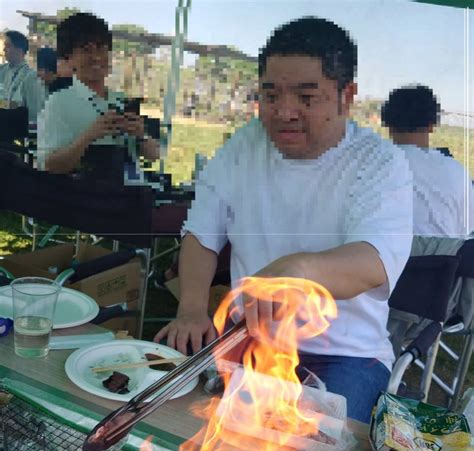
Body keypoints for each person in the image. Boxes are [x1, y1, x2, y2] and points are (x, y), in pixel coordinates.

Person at [154, 17, 414, 423]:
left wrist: (295, 269)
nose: (284, 111)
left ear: (347, 96)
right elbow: (202, 231)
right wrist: (190, 308)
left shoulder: (379, 162)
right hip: (248, 337)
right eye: (271, 95)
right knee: (181, 429)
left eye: (306, 97)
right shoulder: (245, 145)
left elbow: (374, 263)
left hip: (345, 353)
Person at [37, 12, 159, 175]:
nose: (96, 57)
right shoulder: (58, 103)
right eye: (86, 50)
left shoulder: (121, 101)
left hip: (127, 195)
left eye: (102, 48)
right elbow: (49, 166)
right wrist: (88, 137)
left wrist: (141, 136)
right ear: (69, 58)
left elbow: (154, 156)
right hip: (85, 197)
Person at [381, 84, 473, 238]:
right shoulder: (457, 171)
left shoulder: (368, 167)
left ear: (387, 123)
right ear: (431, 126)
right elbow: (465, 230)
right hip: (444, 260)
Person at [0, 30, 46, 121]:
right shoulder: (2, 70)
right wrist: (8, 104)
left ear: (19, 50)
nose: (4, 49)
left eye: (8, 46)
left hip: (17, 129)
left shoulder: (30, 76)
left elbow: (34, 112)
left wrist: (13, 106)